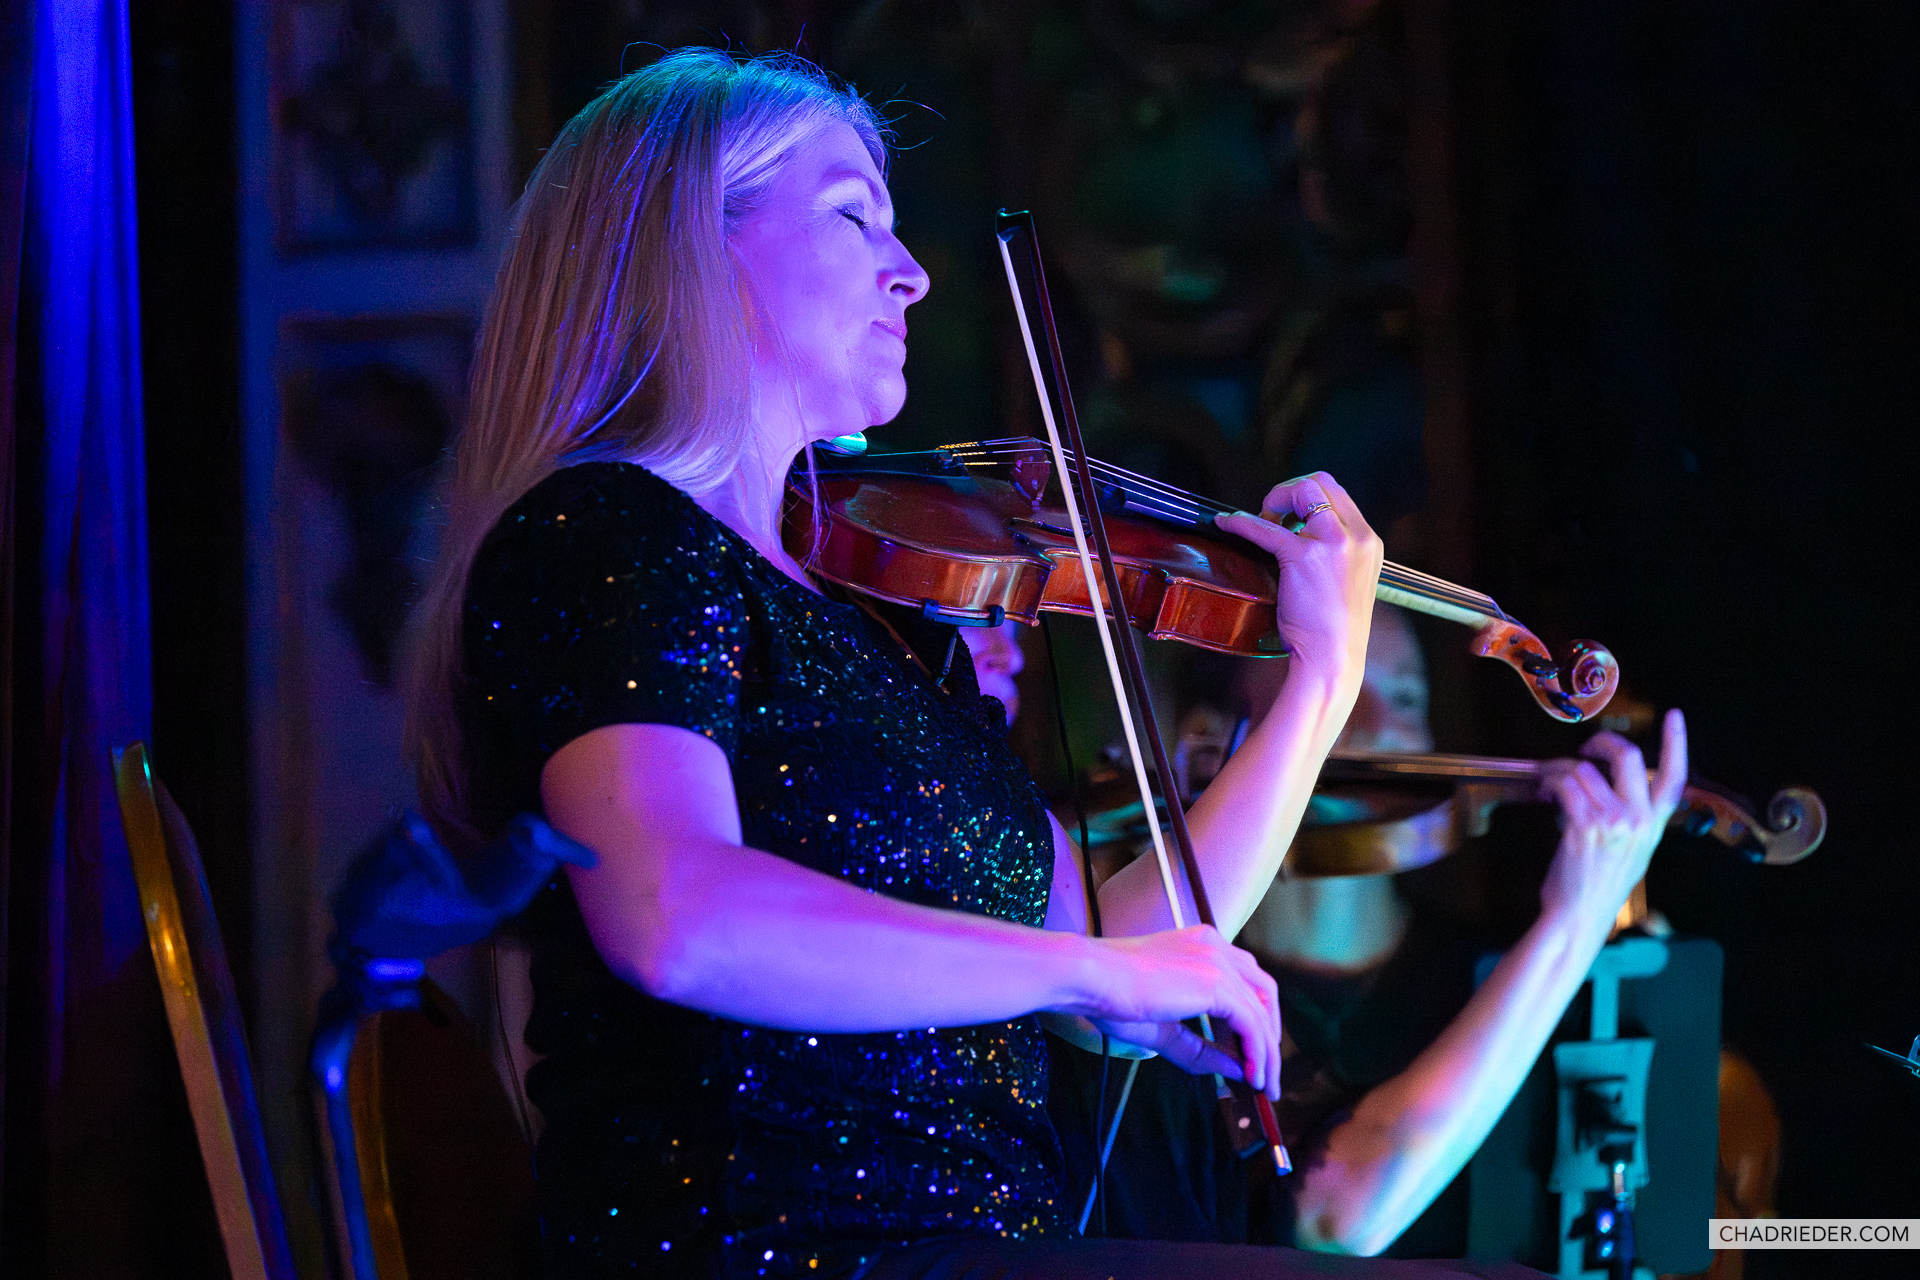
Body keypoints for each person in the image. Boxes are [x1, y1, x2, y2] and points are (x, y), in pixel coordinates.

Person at [406, 48, 1546, 1280]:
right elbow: (674, 915)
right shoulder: (608, 534)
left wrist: (1316, 690)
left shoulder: (886, 615)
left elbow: (1117, 943)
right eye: (854, 217)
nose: (914, 271)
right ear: (689, 247)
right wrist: (1094, 968)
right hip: (775, 1245)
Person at [1046, 606, 1688, 1259]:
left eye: (1406, 697)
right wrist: (1574, 921)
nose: (1384, 730)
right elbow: (1332, 1222)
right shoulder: (1155, 991)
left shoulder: (1497, 979)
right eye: (1346, 691)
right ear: (1207, 745)